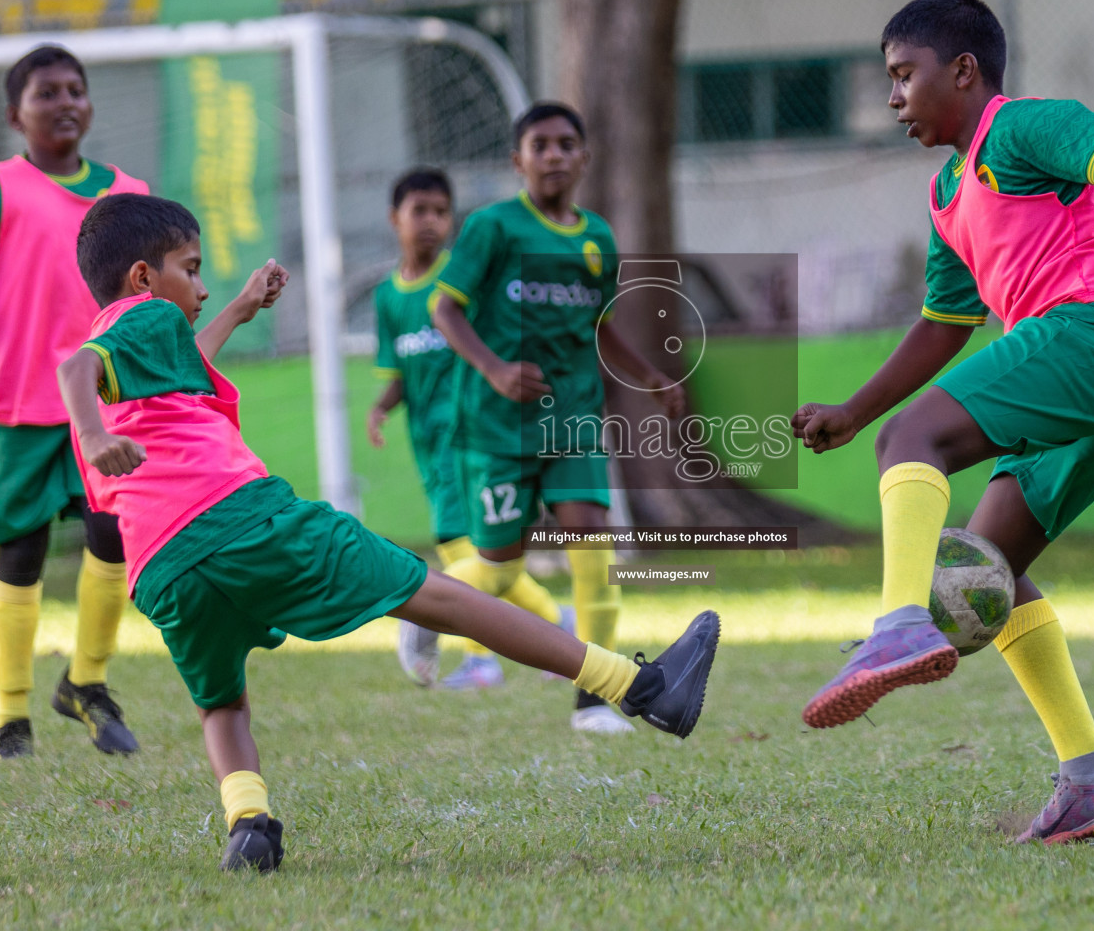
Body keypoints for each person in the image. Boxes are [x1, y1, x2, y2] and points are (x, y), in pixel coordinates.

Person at [58, 192, 719, 872]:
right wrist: (90, 431)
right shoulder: (144, 318)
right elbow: (76, 366)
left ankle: (249, 823)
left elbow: (183, 364)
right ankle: (637, 687)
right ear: (144, 277)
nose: (199, 288)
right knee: (446, 598)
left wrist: (239, 308)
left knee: (222, 704)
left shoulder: (155, 351)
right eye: (191, 269)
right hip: (244, 521)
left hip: (163, 572)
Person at [792, 0, 1094, 844]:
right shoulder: (946, 193)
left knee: (912, 442)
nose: (892, 99)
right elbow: (942, 325)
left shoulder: (1019, 126)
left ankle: (892, 629)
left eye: (902, 76)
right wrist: (853, 409)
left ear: (961, 72)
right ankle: (1091, 779)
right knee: (981, 569)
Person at [430, 102, 686, 734]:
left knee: (594, 558)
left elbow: (598, 326)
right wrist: (493, 368)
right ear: (518, 160)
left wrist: (650, 378)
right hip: (497, 427)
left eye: (565, 144)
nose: (553, 155)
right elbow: (445, 310)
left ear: (584, 158)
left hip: (570, 420)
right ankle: (421, 612)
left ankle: (595, 701)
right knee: (499, 567)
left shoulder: (597, 238)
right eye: (539, 145)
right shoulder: (493, 228)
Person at [0, 45, 148, 760]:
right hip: (17, 406)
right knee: (20, 553)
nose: (65, 101)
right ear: (13, 114)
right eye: (46, 91)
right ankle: (11, 716)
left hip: (104, 405)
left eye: (76, 89)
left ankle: (86, 683)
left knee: (111, 538)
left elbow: (149, 302)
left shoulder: (127, 192)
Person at [367, 167, 570, 689]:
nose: (431, 222)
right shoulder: (388, 298)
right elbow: (400, 371)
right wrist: (381, 408)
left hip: (476, 441)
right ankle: (558, 626)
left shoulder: (462, 280)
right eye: (420, 211)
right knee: (488, 562)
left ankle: (479, 659)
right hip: (430, 449)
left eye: (440, 212)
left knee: (468, 553)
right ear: (395, 219)